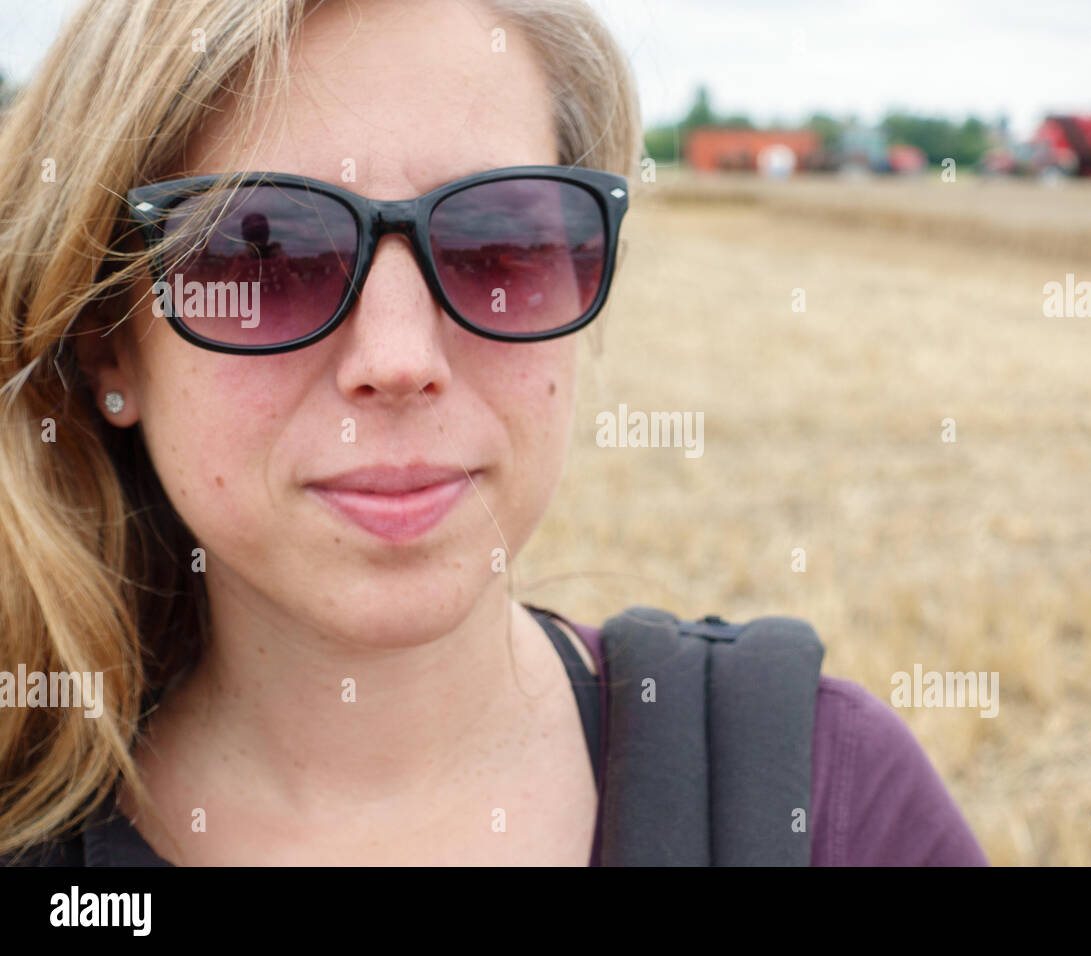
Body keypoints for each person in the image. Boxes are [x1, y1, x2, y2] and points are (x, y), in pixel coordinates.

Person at [0, 0, 987, 866]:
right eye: (265, 252)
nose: (398, 357)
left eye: (495, 242)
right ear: (108, 347)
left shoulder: (822, 800)